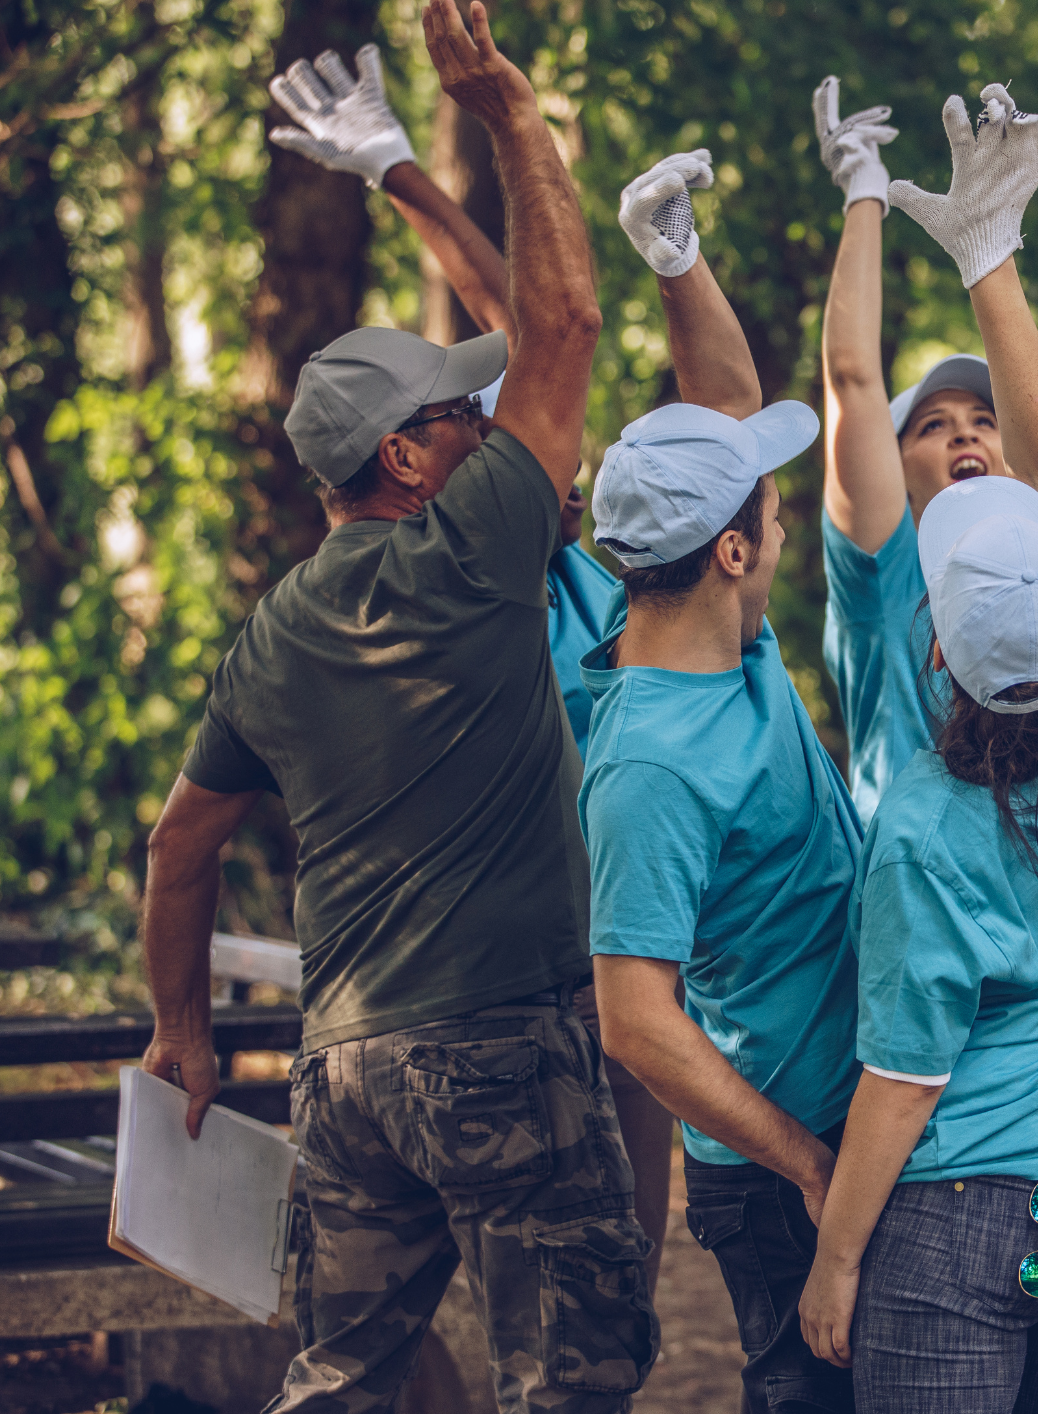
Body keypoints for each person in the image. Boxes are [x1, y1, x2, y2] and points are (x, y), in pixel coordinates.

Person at [139, 5, 657, 1409]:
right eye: (451, 417)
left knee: (346, 1379)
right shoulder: (476, 551)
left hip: (348, 1067)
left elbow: (180, 844)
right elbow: (562, 319)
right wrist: (507, 116)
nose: (482, 425)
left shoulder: (275, 632)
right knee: (573, 1377)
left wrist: (180, 1029)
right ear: (406, 461)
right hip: (501, 1047)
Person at [263, 36, 675, 1299]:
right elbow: (539, 327)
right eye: (475, 431)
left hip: (621, 969)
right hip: (499, 996)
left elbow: (520, 327)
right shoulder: (466, 576)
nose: (515, 439)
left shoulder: (596, 582)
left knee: (605, 1299)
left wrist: (399, 167)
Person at [796, 85, 1038, 1414]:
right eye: (931, 427)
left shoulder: (927, 826)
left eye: (981, 426)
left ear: (947, 652)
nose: (965, 436)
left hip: (957, 1171)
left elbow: (905, 1074)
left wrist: (838, 1257)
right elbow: (859, 389)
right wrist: (977, 254)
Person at [578, 146, 861, 1414]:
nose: (786, 522)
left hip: (854, 1118)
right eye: (770, 513)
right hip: (778, 1161)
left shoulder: (713, 627)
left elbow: (730, 410)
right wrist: (805, 1160)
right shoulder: (646, 762)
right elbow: (633, 1019)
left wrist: (675, 260)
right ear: (734, 547)